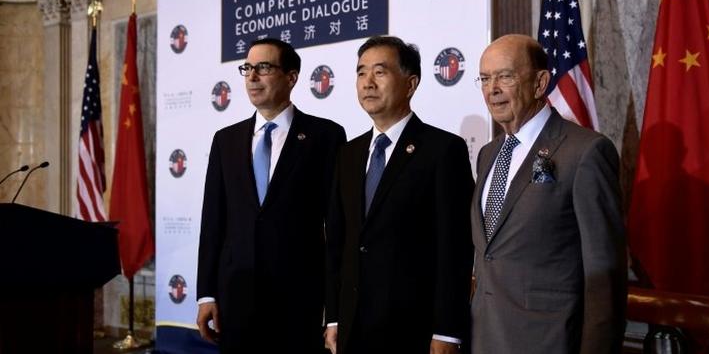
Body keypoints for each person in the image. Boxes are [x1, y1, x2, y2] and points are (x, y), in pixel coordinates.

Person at [470, 34, 627, 354]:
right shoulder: (487, 154)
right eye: (485, 78)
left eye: (505, 76)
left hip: (549, 341)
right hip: (485, 336)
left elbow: (604, 276)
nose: (492, 89)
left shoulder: (585, 152)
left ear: (540, 83)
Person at [324, 36, 474, 354]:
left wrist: (447, 332)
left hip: (413, 329)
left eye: (380, 72)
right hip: (352, 329)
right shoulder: (347, 155)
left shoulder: (442, 150)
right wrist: (334, 318)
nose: (368, 83)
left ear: (411, 83)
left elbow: (456, 248)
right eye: (361, 72)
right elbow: (339, 244)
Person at [196, 38, 346, 353]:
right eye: (247, 68)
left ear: (291, 77)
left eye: (263, 67)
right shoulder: (226, 141)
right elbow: (213, 222)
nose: (252, 77)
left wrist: (334, 311)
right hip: (235, 299)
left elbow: (336, 228)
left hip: (299, 300)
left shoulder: (325, 136)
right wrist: (206, 294)